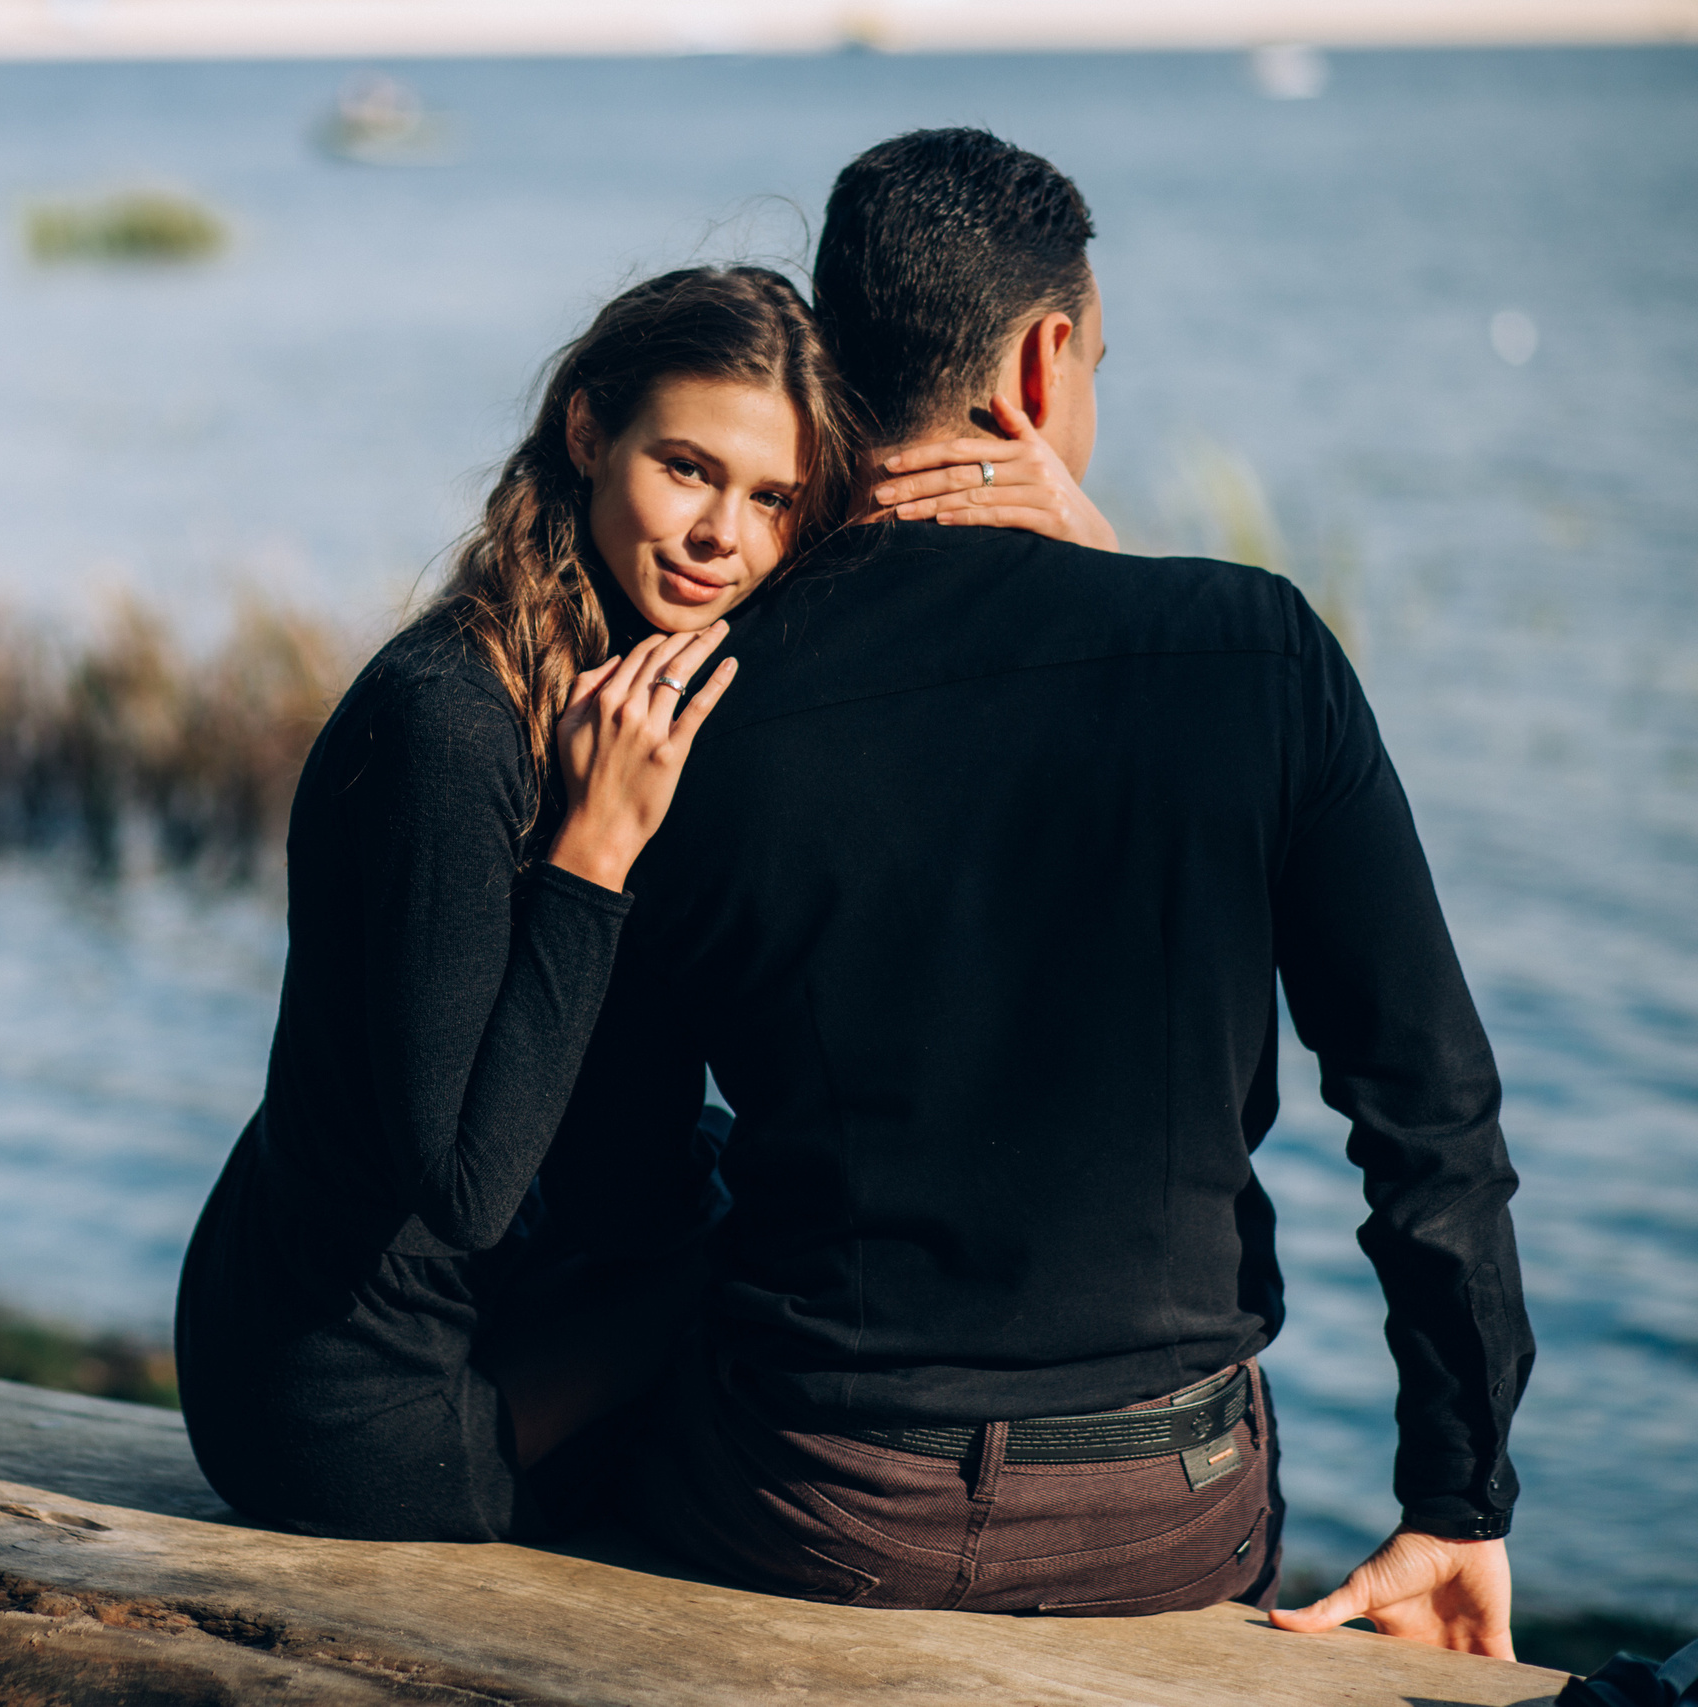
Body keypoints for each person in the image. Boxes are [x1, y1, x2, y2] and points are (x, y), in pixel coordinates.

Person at [562, 128, 1532, 1654]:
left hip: (813, 1495)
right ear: (1044, 360)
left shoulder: (686, 703)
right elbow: (1432, 1115)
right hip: (1169, 1505)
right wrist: (1458, 1495)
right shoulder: (1256, 653)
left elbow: (614, 1170)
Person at [172, 266, 858, 1542]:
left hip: (445, 1312)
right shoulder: (451, 721)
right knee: (815, 1260)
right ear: (587, 432)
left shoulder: (626, 684)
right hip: (345, 1405)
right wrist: (592, 856)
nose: (725, 536)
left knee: (787, 1187)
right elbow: (463, 1191)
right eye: (688, 468)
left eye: (774, 500)